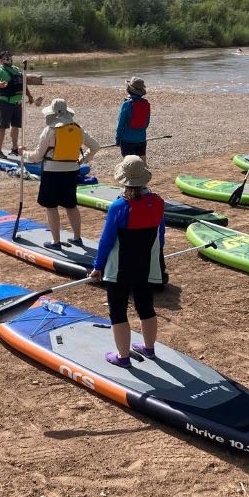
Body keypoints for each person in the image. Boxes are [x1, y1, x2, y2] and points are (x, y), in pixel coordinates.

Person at [89, 156, 166, 369]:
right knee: (146, 305)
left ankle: (123, 357)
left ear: (123, 180)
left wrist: (97, 266)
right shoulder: (158, 202)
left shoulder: (119, 206)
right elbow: (161, 233)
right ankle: (149, 348)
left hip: (119, 269)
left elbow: (106, 241)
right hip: (145, 265)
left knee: (118, 310)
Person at [21, 99, 100, 249]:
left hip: (52, 172)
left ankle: (55, 242)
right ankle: (77, 238)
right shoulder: (78, 128)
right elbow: (96, 146)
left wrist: (23, 153)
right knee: (71, 205)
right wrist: (82, 160)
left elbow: (37, 156)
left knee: (51, 206)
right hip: (71, 171)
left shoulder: (50, 130)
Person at [0, 50, 39, 159]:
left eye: (9, 57)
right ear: (1, 59)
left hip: (17, 103)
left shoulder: (16, 70)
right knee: (2, 127)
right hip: (5, 102)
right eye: (5, 57)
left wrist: (30, 96)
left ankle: (15, 148)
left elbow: (23, 85)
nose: (8, 59)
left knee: (15, 126)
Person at [115, 77, 150, 163]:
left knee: (129, 166)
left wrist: (117, 139)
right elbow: (146, 123)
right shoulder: (146, 104)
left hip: (127, 141)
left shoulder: (126, 104)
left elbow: (120, 124)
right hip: (141, 139)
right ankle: (143, 176)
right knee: (142, 164)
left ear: (129, 90)